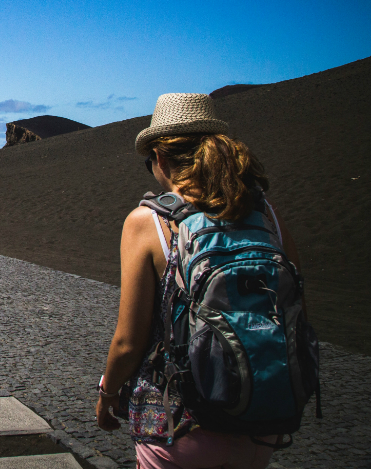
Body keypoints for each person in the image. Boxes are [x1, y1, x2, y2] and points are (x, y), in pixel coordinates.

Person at [95, 93, 304, 468]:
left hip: (178, 424)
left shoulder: (150, 223)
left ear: (159, 157)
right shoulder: (266, 214)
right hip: (260, 421)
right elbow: (297, 310)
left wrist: (108, 392)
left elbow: (129, 340)